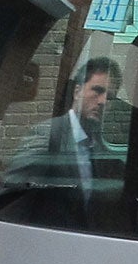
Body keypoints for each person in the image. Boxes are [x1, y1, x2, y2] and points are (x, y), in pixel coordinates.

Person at [7, 55, 121, 197]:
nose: (103, 101)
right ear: (77, 91)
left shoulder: (99, 146)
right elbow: (13, 194)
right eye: (97, 91)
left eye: (110, 97)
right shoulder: (48, 134)